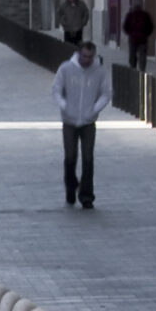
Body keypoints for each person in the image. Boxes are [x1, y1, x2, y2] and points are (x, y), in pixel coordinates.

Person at [52, 40, 110, 209]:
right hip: (69, 120)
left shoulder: (99, 71)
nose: (87, 60)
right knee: (70, 157)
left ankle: (86, 195)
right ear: (79, 53)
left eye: (90, 57)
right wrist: (65, 106)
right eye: (84, 56)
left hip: (88, 121)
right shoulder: (66, 68)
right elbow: (56, 89)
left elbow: (106, 93)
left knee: (88, 158)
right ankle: (71, 186)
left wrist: (94, 109)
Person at [122, 0, 154, 72]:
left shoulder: (130, 15)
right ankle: (142, 69)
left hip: (134, 39)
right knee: (142, 56)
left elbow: (125, 27)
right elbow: (150, 26)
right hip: (142, 39)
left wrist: (130, 34)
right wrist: (146, 34)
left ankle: (134, 69)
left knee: (133, 56)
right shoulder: (145, 15)